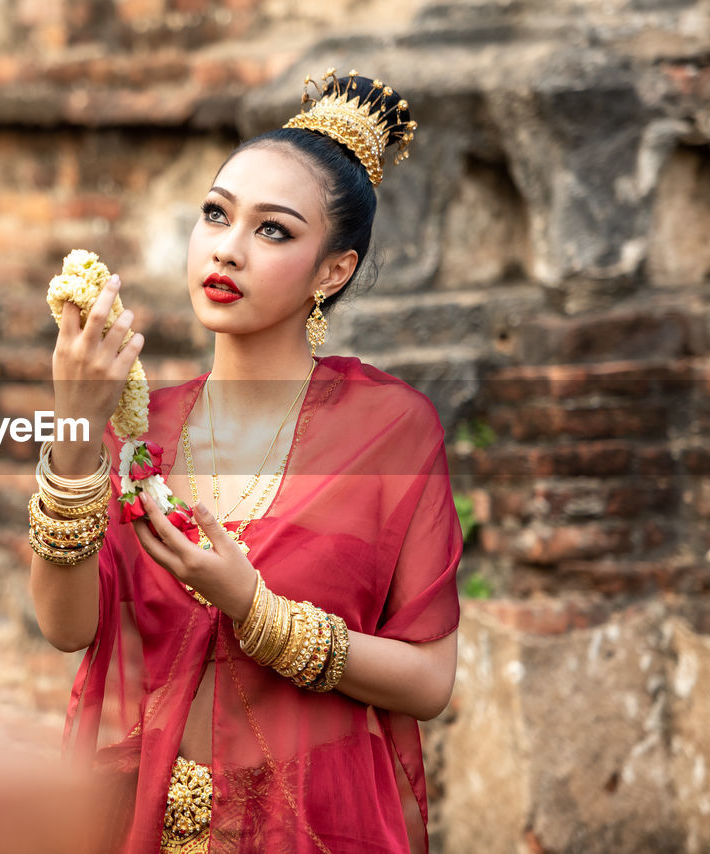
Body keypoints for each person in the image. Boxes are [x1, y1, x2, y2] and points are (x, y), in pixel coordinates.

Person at [28, 68, 462, 854]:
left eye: (273, 230)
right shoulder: (143, 426)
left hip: (316, 823)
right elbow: (66, 627)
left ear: (334, 271)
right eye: (216, 215)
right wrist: (74, 429)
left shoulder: (390, 430)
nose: (226, 248)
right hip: (147, 818)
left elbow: (429, 682)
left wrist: (253, 610)